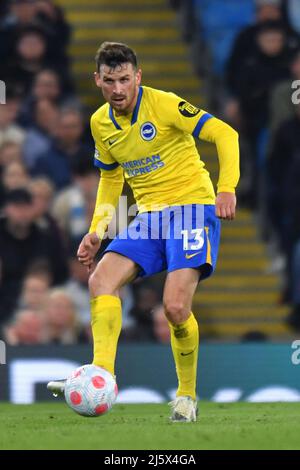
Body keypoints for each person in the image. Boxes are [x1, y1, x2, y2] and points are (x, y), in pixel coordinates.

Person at [47, 42, 239, 422]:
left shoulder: (164, 104)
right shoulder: (100, 122)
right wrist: (97, 230)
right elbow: (110, 175)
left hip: (191, 209)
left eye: (124, 79)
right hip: (148, 215)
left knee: (174, 307)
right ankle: (102, 374)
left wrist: (226, 187)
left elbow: (225, 134)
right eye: (109, 80)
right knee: (101, 280)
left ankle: (186, 396)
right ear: (97, 80)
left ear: (138, 77)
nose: (118, 89)